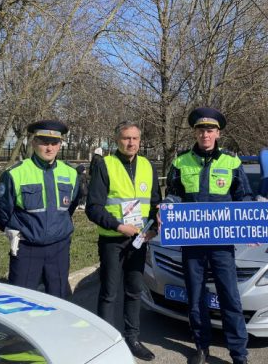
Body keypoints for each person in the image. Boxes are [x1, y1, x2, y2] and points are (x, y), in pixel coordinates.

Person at [164, 107, 252, 364]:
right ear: (195, 132)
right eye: (201, 130)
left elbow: (243, 196)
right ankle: (202, 347)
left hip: (222, 244)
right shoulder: (180, 161)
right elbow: (174, 193)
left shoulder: (232, 162)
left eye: (210, 130)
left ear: (218, 133)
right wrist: (168, 205)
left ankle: (239, 353)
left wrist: (252, 214)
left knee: (229, 297)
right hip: (192, 243)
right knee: (195, 297)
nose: (205, 134)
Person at [85, 121, 161, 361]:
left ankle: (133, 338)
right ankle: (105, 343)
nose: (131, 143)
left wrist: (153, 228)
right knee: (108, 293)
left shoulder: (149, 166)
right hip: (112, 240)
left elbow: (156, 203)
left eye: (135, 139)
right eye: (126, 138)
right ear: (117, 140)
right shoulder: (105, 165)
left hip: (139, 240)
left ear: (140, 141)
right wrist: (119, 226)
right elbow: (93, 208)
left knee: (134, 291)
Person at [0, 120, 80, 298]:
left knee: (59, 300)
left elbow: (69, 208)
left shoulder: (71, 173)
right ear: (33, 142)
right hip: (27, 249)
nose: (49, 148)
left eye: (54, 143)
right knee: (22, 301)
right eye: (44, 142)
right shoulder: (14, 173)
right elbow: (3, 215)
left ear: (60, 145)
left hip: (59, 248)